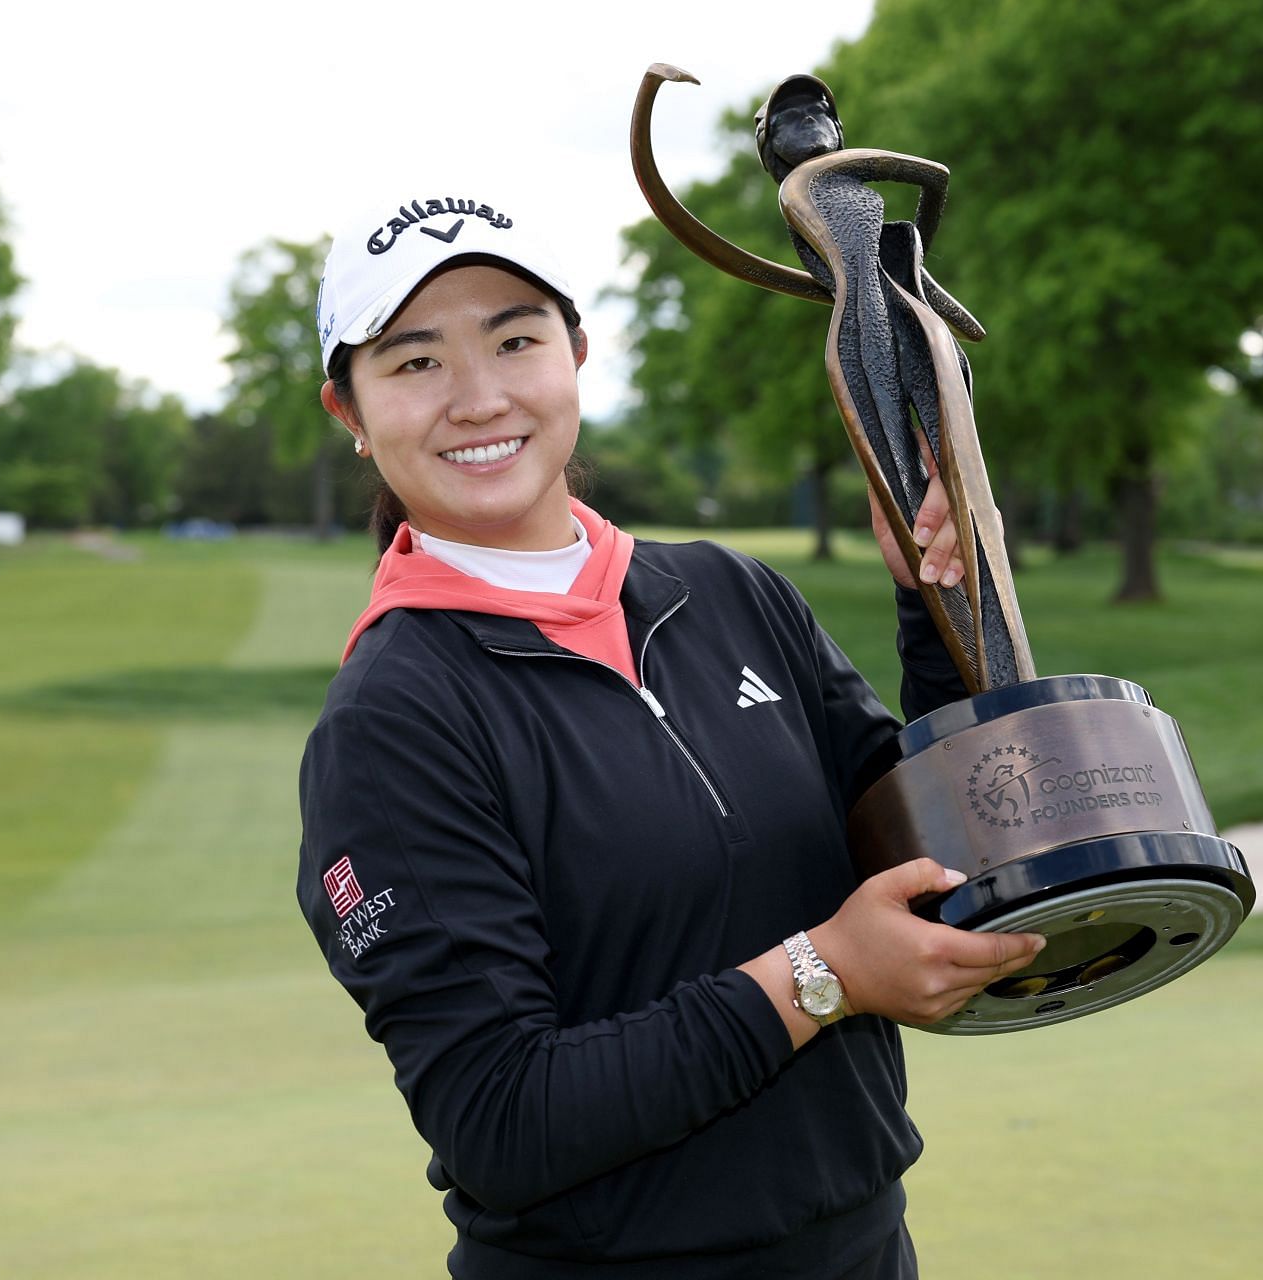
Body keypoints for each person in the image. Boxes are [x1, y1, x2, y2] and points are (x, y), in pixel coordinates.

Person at [295, 185, 1046, 1279]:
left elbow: (934, 855)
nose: (478, 395)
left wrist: (935, 599)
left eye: (515, 338)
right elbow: (501, 1120)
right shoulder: (394, 718)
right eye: (414, 362)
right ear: (350, 415)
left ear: (578, 353)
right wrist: (821, 972)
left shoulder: (730, 594)